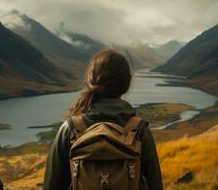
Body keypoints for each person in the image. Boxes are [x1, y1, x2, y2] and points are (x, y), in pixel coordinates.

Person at [43, 50, 163, 190]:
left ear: (90, 81)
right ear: (126, 84)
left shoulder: (70, 130)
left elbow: (51, 186)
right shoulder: (140, 131)